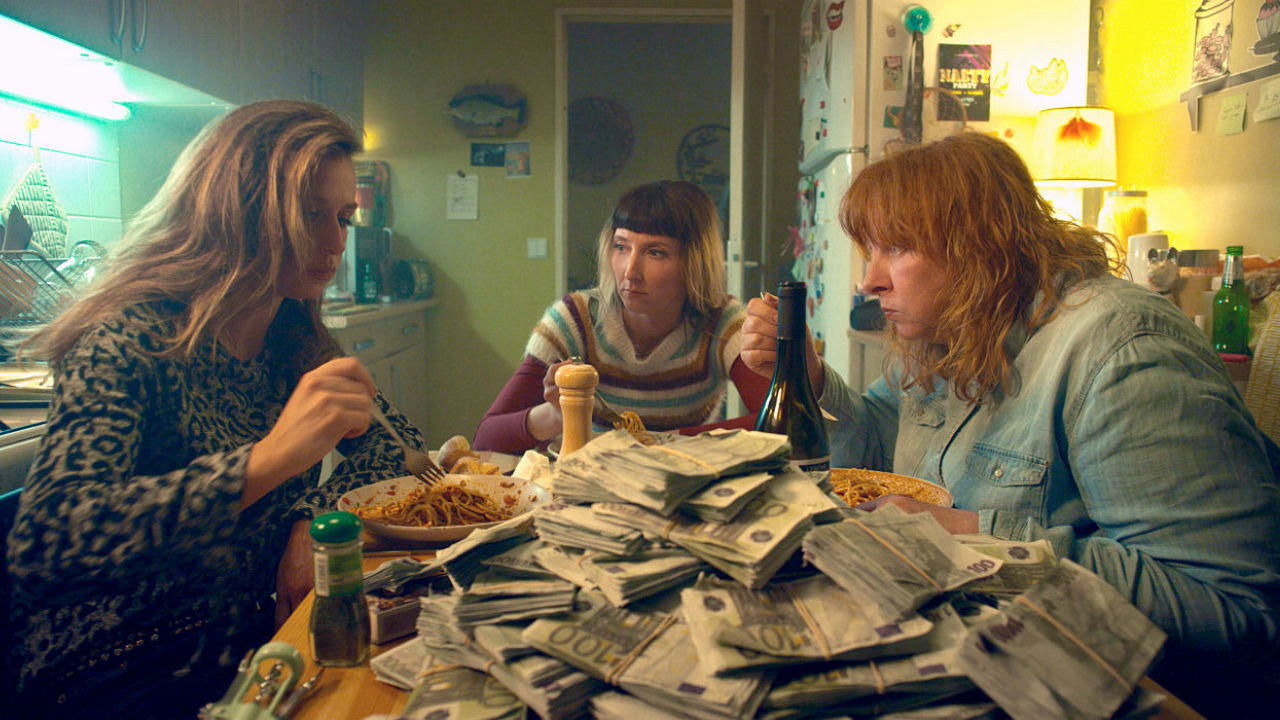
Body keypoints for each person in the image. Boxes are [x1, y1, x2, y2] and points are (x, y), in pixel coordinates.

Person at [741, 132, 1280, 716]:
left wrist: (975, 538)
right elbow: (872, 447)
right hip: (970, 651)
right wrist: (813, 381)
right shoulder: (949, 332)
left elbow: (1231, 608)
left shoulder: (1123, 348)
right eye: (868, 250)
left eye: (895, 248)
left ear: (981, 245)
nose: (868, 281)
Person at [4, 101, 425, 719]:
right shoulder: (129, 339)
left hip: (249, 647)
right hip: (120, 667)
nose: (336, 242)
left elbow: (398, 448)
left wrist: (309, 518)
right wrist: (268, 460)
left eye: (342, 217)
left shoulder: (293, 336)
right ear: (239, 209)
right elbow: (49, 544)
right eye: (309, 214)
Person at [474, 180, 768, 453]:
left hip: (688, 478)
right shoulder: (575, 320)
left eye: (655, 252)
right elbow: (486, 439)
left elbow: (780, 420)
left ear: (694, 262)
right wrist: (554, 415)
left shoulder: (723, 322)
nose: (630, 271)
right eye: (621, 247)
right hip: (591, 480)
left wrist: (662, 443)